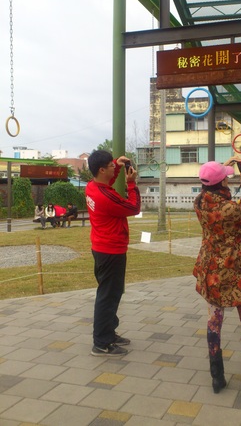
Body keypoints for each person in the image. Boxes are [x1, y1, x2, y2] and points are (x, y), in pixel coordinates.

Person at [193, 158, 241, 396]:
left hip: (212, 271)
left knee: (214, 322)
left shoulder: (199, 202)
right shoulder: (230, 208)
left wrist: (218, 169)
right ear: (222, 181)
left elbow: (212, 181)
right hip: (236, 273)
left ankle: (217, 378)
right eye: (225, 176)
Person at [86, 150, 141, 357]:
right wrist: (132, 184)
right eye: (110, 165)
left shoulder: (93, 187)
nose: (113, 167)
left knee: (111, 294)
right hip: (111, 250)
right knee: (107, 297)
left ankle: (108, 332)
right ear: (101, 169)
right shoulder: (104, 197)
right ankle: (101, 343)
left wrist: (117, 165)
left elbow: (107, 185)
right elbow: (134, 207)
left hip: (102, 247)